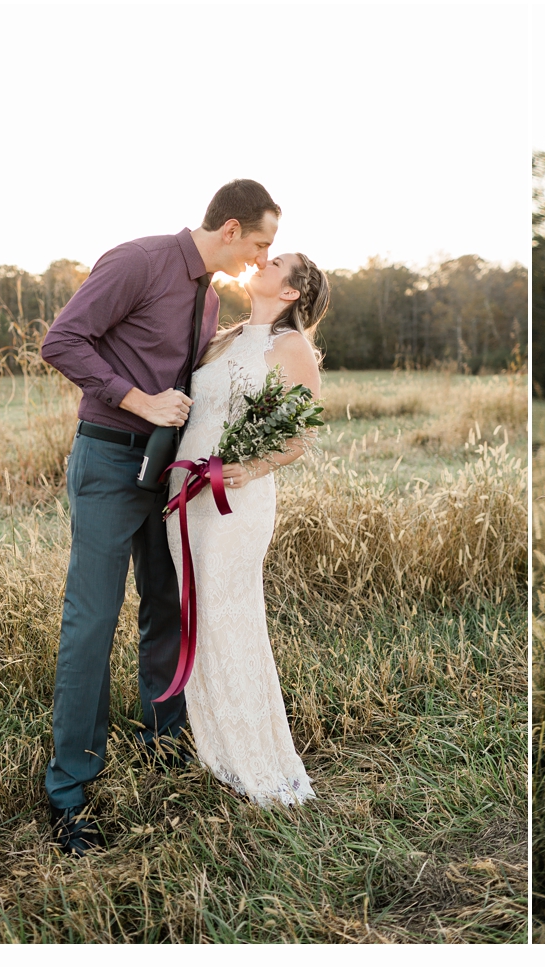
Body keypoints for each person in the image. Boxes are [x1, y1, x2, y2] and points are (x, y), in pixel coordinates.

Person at [38, 180, 279, 855]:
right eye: (261, 242)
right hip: (110, 464)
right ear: (230, 228)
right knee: (91, 622)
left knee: (167, 607)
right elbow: (62, 341)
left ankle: (161, 746)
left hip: (167, 472)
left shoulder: (211, 294)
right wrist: (137, 400)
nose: (263, 256)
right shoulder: (138, 260)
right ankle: (69, 791)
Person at [164, 250, 331, 806]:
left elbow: (299, 434)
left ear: (290, 292)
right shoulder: (221, 337)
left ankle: (260, 763)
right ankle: (217, 753)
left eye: (275, 261)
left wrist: (250, 467)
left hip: (235, 500)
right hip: (184, 494)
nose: (262, 260)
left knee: (230, 616)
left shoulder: (291, 347)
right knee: (198, 618)